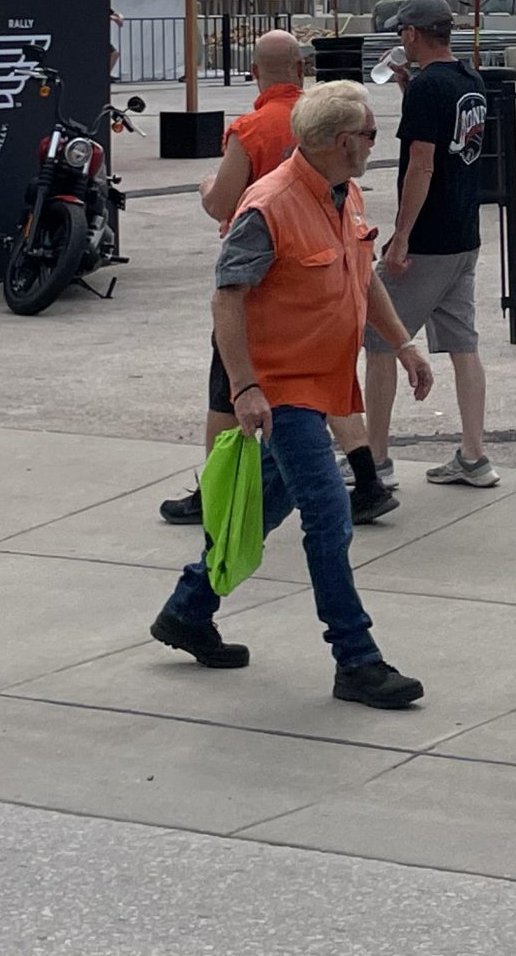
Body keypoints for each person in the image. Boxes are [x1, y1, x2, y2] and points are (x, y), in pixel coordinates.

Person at [149, 79, 433, 710]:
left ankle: (188, 609)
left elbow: (366, 278)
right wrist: (246, 387)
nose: (373, 144)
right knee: (329, 514)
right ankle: (356, 659)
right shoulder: (269, 204)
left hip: (324, 381)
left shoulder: (345, 192)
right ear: (340, 142)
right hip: (281, 390)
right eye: (369, 134)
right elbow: (227, 298)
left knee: (270, 503)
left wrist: (404, 344)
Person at [158, 34, 395, 529]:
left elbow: (224, 205)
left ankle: (214, 495)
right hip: (321, 288)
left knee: (226, 394)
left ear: (252, 70)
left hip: (264, 296)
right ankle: (368, 479)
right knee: (327, 385)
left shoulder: (252, 128)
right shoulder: (328, 119)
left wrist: (206, 188)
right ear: (302, 68)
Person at [364, 0, 495, 489]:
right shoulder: (468, 81)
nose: (401, 40)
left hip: (430, 240)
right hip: (465, 232)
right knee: (463, 342)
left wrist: (401, 238)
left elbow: (422, 162)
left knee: (379, 337)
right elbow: (448, 138)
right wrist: (404, 87)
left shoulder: (428, 89)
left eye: (402, 32)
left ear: (413, 34)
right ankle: (474, 454)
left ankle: (374, 461)